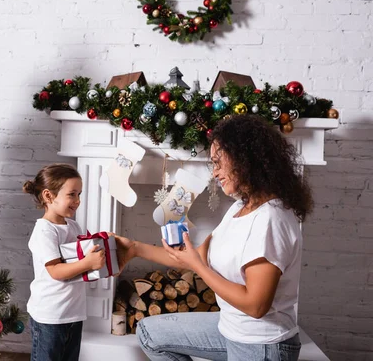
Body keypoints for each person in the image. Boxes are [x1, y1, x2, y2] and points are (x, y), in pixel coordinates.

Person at [116, 114, 312, 361]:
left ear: (244, 158)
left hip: (261, 345)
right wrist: (133, 248)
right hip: (229, 330)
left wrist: (199, 267)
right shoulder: (239, 208)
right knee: (149, 333)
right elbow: (193, 259)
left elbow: (256, 306)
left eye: (219, 162)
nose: (215, 172)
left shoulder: (270, 220)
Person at [23, 163, 106, 361]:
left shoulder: (74, 226)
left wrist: (105, 260)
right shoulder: (45, 231)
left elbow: (85, 257)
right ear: (48, 196)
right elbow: (56, 271)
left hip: (73, 313)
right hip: (50, 316)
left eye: (79, 194)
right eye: (72, 194)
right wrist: (88, 264)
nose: (77, 201)